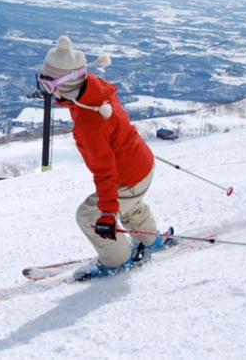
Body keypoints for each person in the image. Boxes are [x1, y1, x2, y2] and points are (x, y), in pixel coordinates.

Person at [37, 35, 174, 281]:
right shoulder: (94, 90)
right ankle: (150, 241)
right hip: (141, 164)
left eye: (48, 84)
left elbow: (105, 171)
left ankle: (118, 261)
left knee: (89, 216)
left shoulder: (90, 121)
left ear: (65, 84)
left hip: (127, 175)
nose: (47, 90)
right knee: (131, 204)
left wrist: (108, 214)